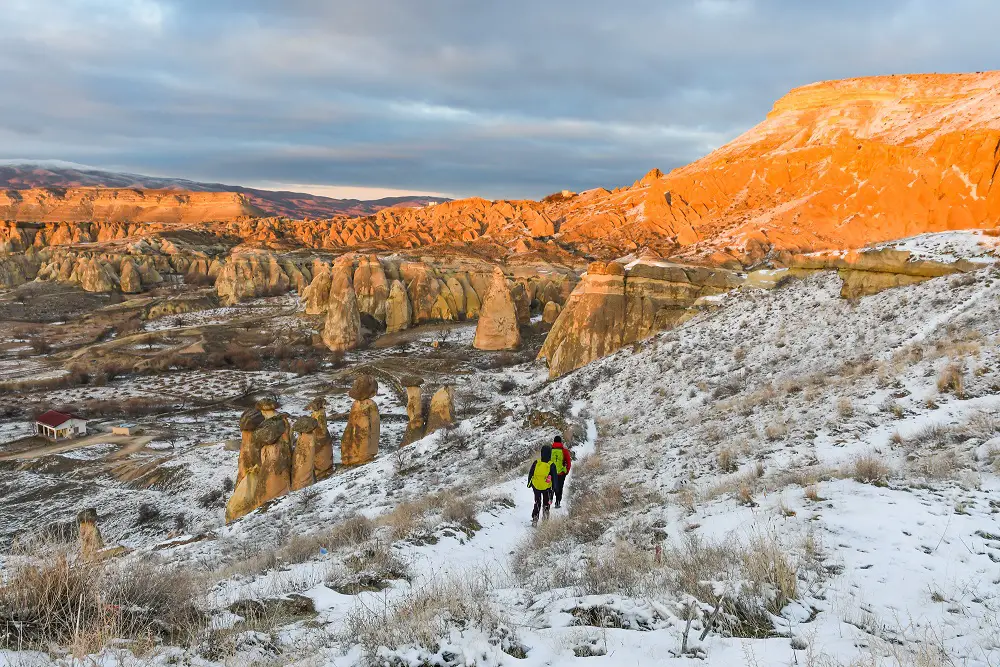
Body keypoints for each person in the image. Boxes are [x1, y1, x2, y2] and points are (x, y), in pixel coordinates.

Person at [526, 444, 554, 525]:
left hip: (536, 486)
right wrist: (555, 488)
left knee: (537, 502)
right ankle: (545, 519)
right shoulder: (551, 464)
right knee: (546, 502)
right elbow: (555, 478)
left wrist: (529, 484)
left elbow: (530, 473)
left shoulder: (536, 462)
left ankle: (535, 518)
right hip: (547, 487)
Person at [550, 435, 572, 509]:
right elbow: (568, 462)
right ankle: (558, 502)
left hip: (552, 473)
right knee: (560, 487)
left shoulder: (550, 450)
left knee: (551, 486)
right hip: (561, 473)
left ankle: (550, 499)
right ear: (560, 442)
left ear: (554, 442)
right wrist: (567, 471)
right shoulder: (564, 451)